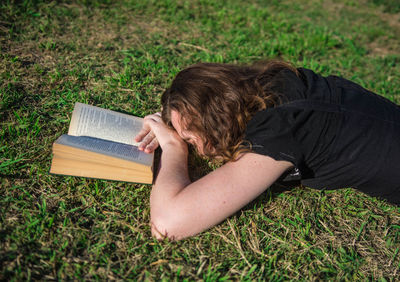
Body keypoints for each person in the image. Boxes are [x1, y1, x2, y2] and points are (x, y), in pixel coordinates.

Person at [134, 60, 400, 240]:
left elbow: (166, 224)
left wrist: (173, 147)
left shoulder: (278, 132)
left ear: (214, 121)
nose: (195, 148)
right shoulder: (278, 84)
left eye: (191, 140)